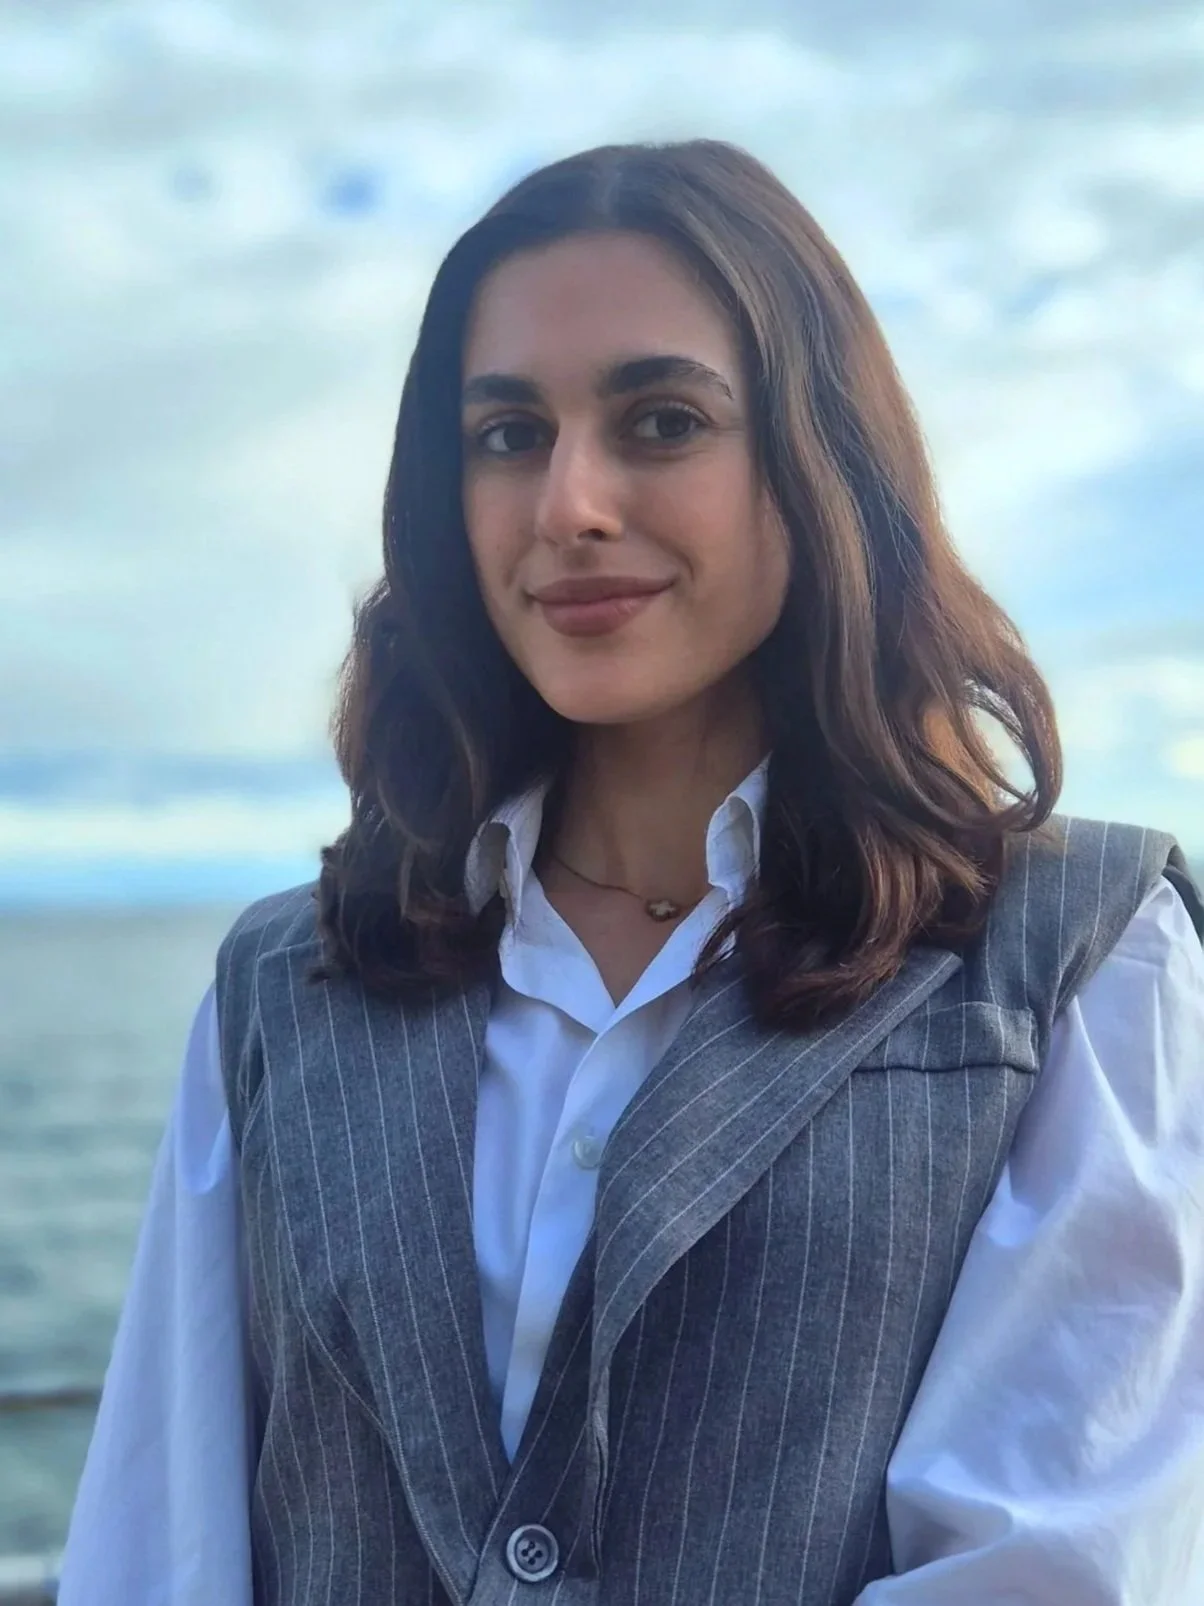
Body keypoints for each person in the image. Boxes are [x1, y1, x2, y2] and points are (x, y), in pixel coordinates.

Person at [59, 139, 1204, 1606]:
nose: (568, 504)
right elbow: (162, 1546)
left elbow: (1057, 1571)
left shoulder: (1082, 963)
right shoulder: (290, 983)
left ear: (814, 457)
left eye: (661, 421)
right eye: (506, 434)